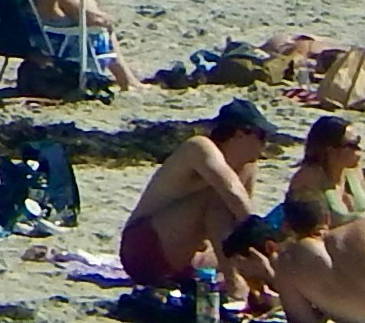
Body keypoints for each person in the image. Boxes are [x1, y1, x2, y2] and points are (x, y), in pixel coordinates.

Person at [116, 102, 291, 290]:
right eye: (262, 137)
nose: (265, 144)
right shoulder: (199, 148)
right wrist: (259, 235)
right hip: (145, 248)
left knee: (254, 247)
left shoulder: (247, 166)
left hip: (189, 260)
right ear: (240, 134)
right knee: (218, 198)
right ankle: (234, 284)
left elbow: (238, 226)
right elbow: (230, 190)